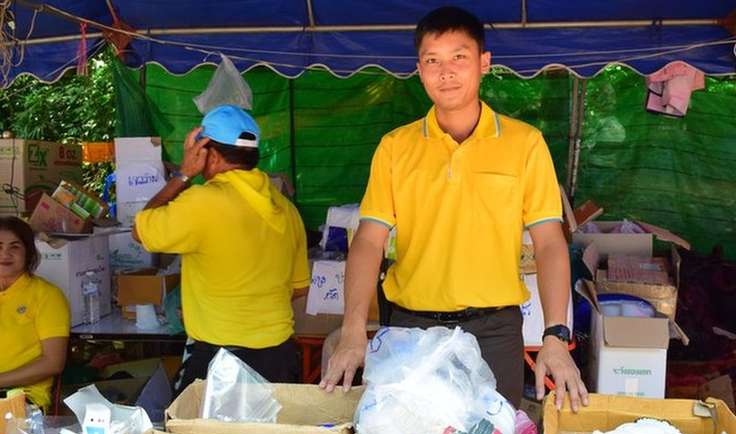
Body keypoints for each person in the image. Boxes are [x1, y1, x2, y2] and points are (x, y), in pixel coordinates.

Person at [321, 6, 589, 412]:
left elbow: (550, 242)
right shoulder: (396, 147)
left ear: (484, 63)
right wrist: (353, 329)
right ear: (419, 69)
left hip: (495, 333)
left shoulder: (525, 143)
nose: (445, 72)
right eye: (433, 60)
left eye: (459, 57)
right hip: (411, 330)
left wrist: (555, 333)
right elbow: (368, 241)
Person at [133, 105, 309, 393]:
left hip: (218, 360)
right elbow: (299, 288)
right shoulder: (286, 209)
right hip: (279, 356)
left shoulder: (203, 202)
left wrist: (183, 174)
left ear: (209, 154)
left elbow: (140, 229)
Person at [0, 216, 70, 410]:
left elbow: (53, 363)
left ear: (28, 253)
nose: (5, 253)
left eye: (14, 246)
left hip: (21, 396)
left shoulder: (46, 295)